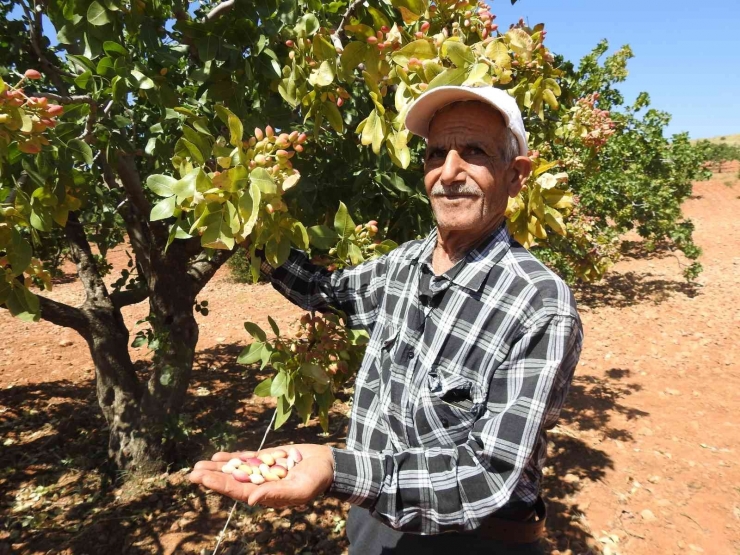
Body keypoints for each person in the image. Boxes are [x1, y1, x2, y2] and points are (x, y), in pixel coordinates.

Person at [189, 85, 583, 554]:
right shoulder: (402, 265)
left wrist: (337, 469)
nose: (449, 172)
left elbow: (488, 474)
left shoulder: (538, 302)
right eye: (436, 154)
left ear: (515, 175)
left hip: (476, 540)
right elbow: (326, 292)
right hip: (375, 517)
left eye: (473, 152)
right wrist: (248, 227)